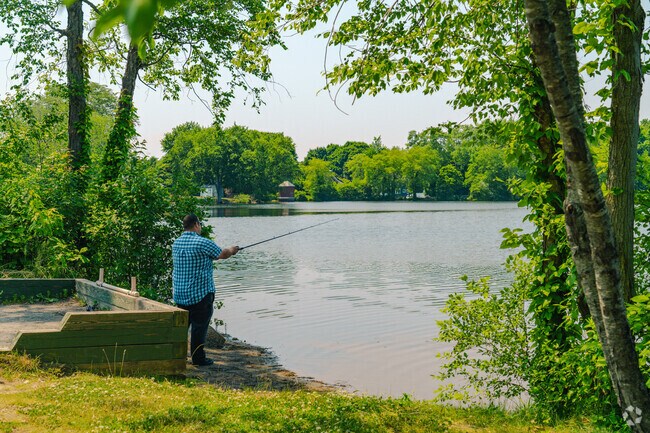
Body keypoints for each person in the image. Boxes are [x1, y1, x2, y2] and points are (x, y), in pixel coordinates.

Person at [172, 214, 239, 366]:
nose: (200, 227)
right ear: (196, 224)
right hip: (200, 294)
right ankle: (198, 359)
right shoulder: (202, 242)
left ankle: (178, 356)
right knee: (199, 328)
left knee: (183, 328)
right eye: (200, 224)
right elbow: (222, 254)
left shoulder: (176, 243)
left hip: (180, 294)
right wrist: (232, 250)